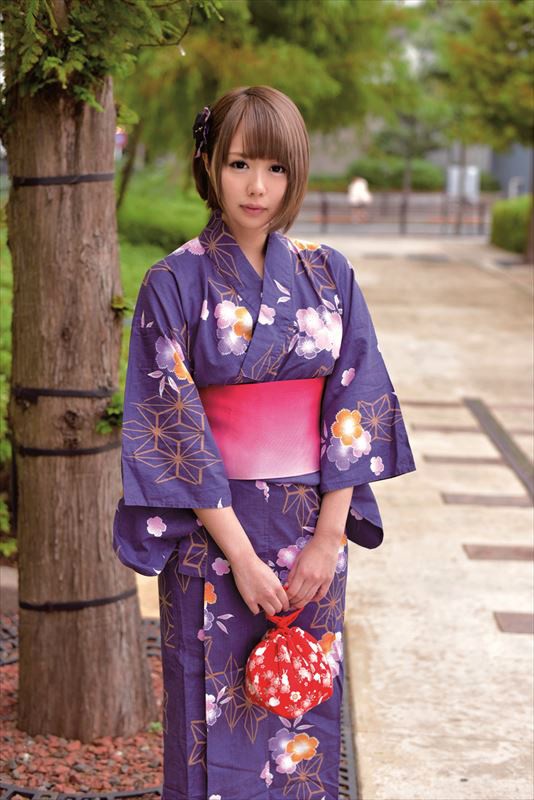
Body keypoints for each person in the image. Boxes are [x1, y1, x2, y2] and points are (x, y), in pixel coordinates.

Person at [112, 85, 416, 800]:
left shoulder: (329, 272)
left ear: (296, 172)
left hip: (309, 535)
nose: (257, 187)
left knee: (300, 722)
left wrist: (329, 540)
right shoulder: (173, 281)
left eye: (276, 168)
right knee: (206, 712)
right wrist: (241, 558)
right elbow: (173, 428)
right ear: (209, 164)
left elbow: (356, 402)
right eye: (240, 164)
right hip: (212, 538)